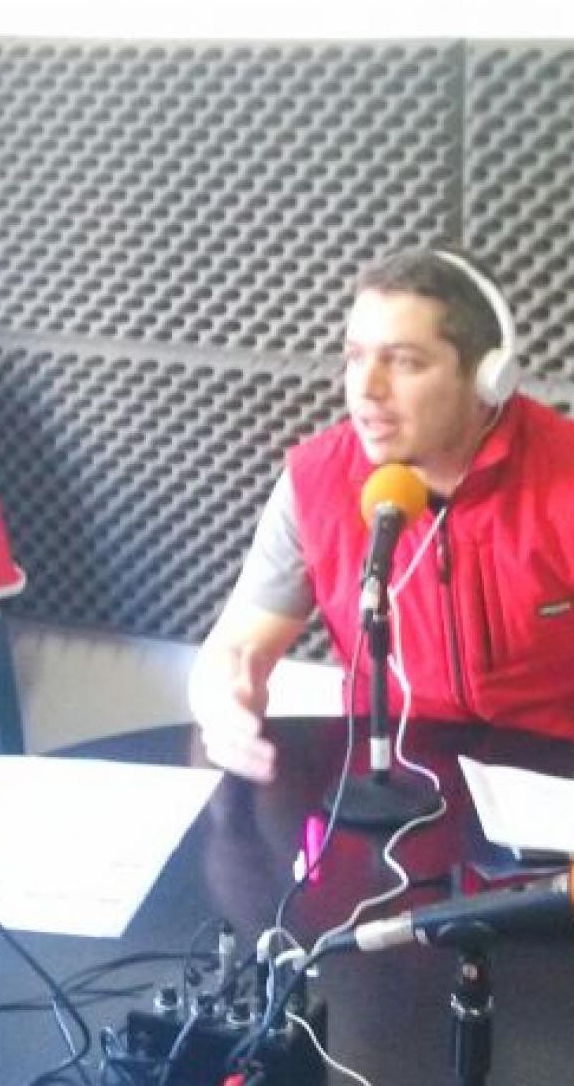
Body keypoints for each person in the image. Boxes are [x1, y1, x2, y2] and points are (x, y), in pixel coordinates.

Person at [189, 248, 574, 783]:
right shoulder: (315, 482)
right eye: (355, 357)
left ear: (489, 377)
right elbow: (234, 649)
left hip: (551, 791)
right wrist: (222, 705)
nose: (366, 389)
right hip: (384, 784)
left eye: (404, 362)